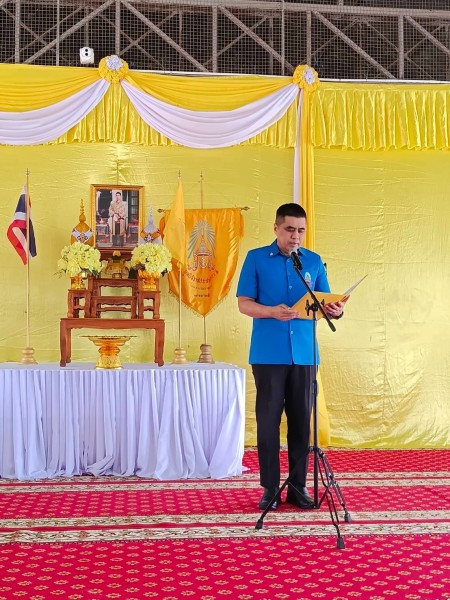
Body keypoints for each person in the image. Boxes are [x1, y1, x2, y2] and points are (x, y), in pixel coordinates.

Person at [236, 203, 345, 511]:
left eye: (301, 231)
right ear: (276, 228)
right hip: (268, 353)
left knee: (300, 423)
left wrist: (336, 309)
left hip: (305, 354)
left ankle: (298, 487)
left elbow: (324, 303)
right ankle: (270, 488)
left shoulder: (313, 261)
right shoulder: (256, 258)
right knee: (268, 422)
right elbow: (244, 303)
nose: (295, 236)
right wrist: (272, 312)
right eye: (289, 230)